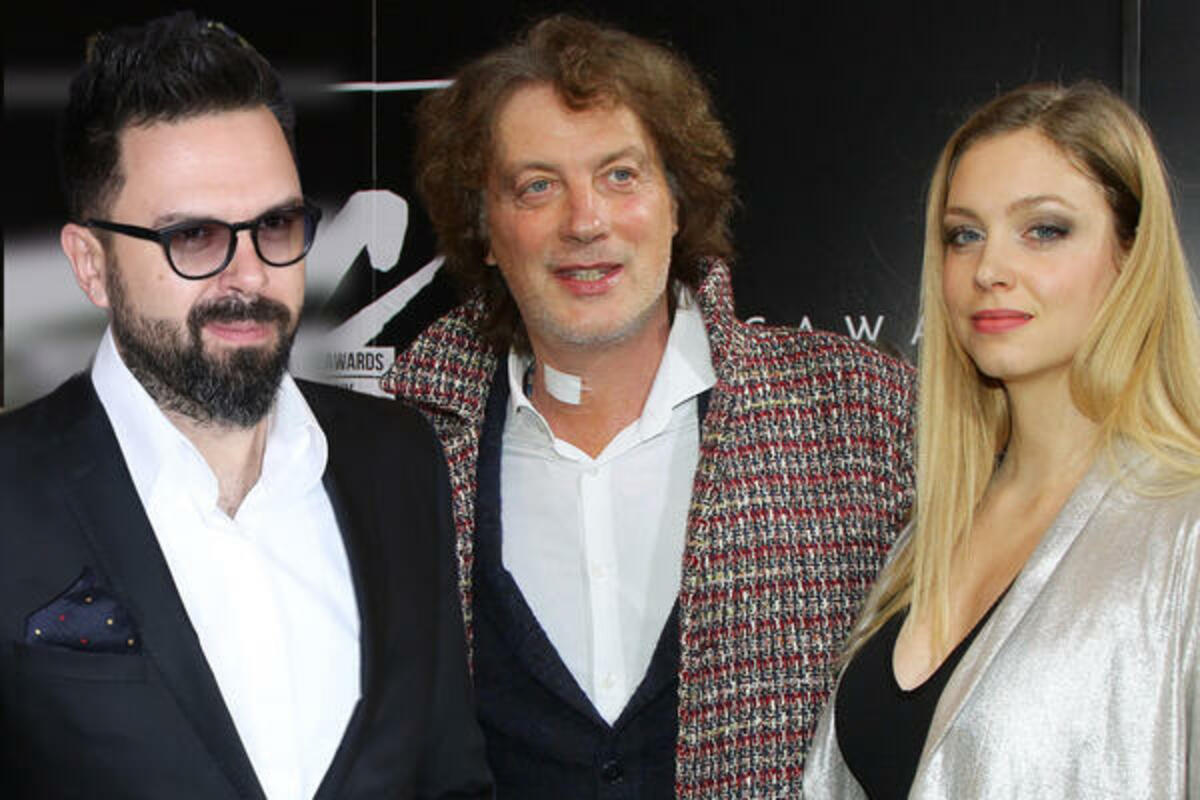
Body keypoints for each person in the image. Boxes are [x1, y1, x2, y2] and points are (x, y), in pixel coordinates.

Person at [380, 14, 915, 796]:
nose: (585, 221)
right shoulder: (403, 453)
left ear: (676, 202)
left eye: (621, 176)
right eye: (537, 186)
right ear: (486, 231)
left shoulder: (864, 419)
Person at [0, 13, 491, 799]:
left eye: (276, 225)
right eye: (193, 236)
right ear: (92, 266)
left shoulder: (398, 457)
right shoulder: (12, 493)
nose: (250, 274)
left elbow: (449, 777)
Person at [803, 81, 1200, 798]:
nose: (989, 270)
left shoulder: (1184, 528)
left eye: (1044, 230)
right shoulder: (929, 530)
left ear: (1131, 254)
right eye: (965, 234)